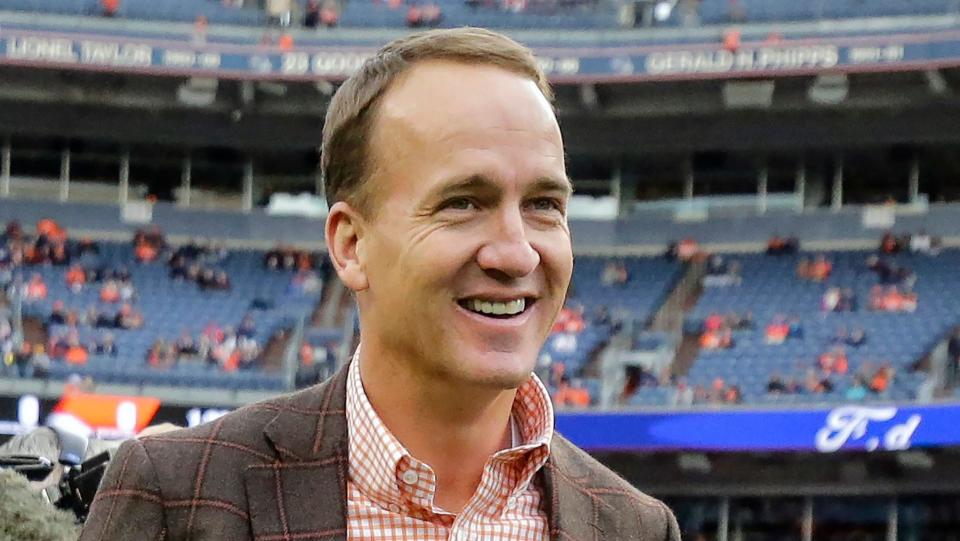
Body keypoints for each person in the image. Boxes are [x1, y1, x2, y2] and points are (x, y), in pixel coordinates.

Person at [80, 28, 678, 541]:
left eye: (545, 204)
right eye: (463, 202)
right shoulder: (180, 495)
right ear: (350, 245)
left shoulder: (636, 527)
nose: (516, 252)